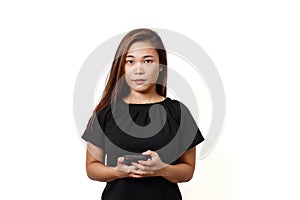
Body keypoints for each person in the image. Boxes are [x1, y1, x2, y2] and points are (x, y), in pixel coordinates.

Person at [81, 28, 205, 200]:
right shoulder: (105, 114)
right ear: (122, 67)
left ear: (161, 65)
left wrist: (162, 169)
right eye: (130, 61)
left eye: (147, 61)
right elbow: (92, 168)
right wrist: (118, 172)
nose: (138, 70)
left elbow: (187, 170)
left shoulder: (178, 113)